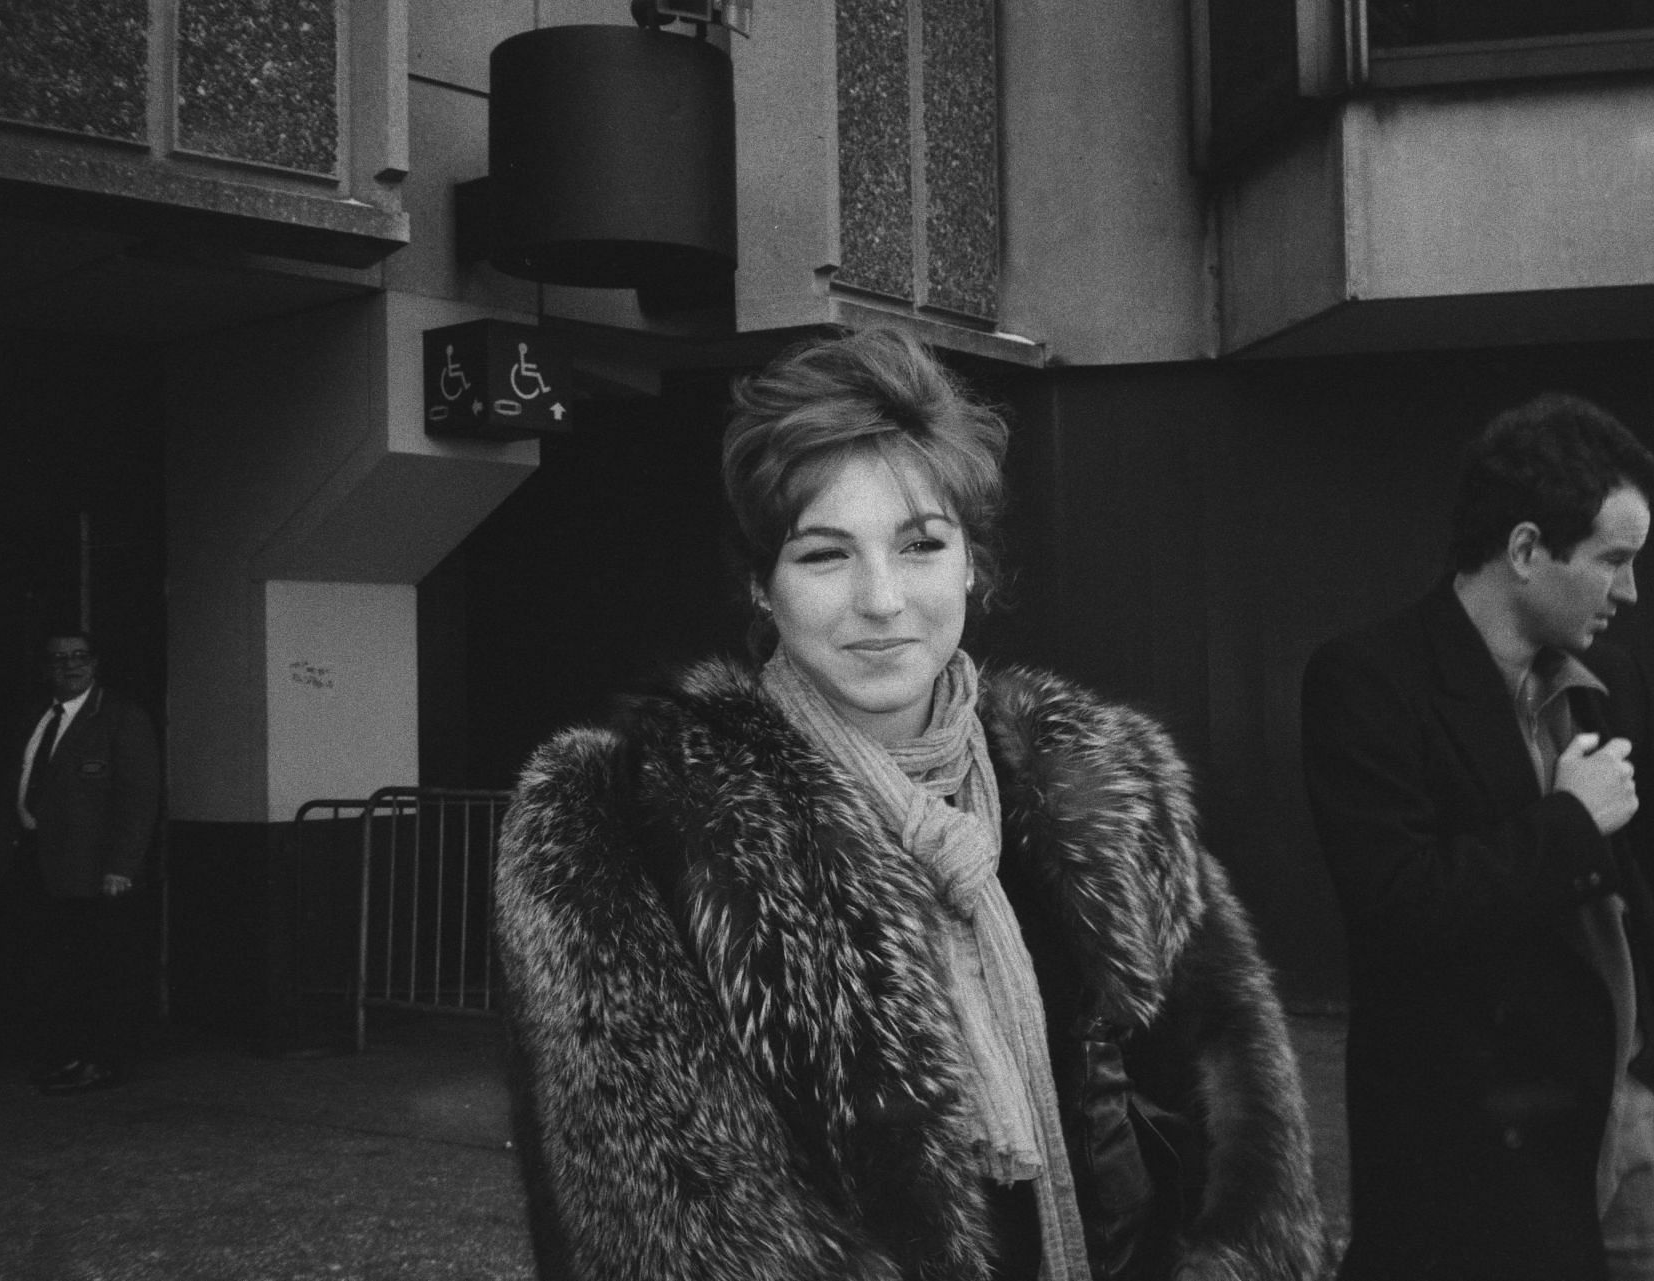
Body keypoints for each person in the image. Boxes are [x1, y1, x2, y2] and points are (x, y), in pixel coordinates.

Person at [494, 329, 1328, 1281]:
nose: (882, 599)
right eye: (823, 554)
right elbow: (667, 1228)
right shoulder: (632, 826)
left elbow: (1231, 1118)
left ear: (972, 563)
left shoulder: (1098, 786)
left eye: (920, 543)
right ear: (760, 586)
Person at [1300, 394, 1654, 1281]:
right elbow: (1397, 906)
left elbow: (1649, 904)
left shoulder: (1614, 678)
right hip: (1479, 1160)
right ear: (1526, 549)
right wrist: (1568, 822)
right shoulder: (1367, 680)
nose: (1632, 590)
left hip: (1631, 1124)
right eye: (1615, 559)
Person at [1, 629, 162, 1094]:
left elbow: (138, 797)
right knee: (50, 967)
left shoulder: (119, 717)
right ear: (45, 667)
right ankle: (67, 1056)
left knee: (98, 969)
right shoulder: (32, 716)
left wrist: (122, 866)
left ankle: (101, 1061)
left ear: (95, 663)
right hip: (33, 861)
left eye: (78, 657)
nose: (68, 665)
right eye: (58, 659)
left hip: (94, 869)